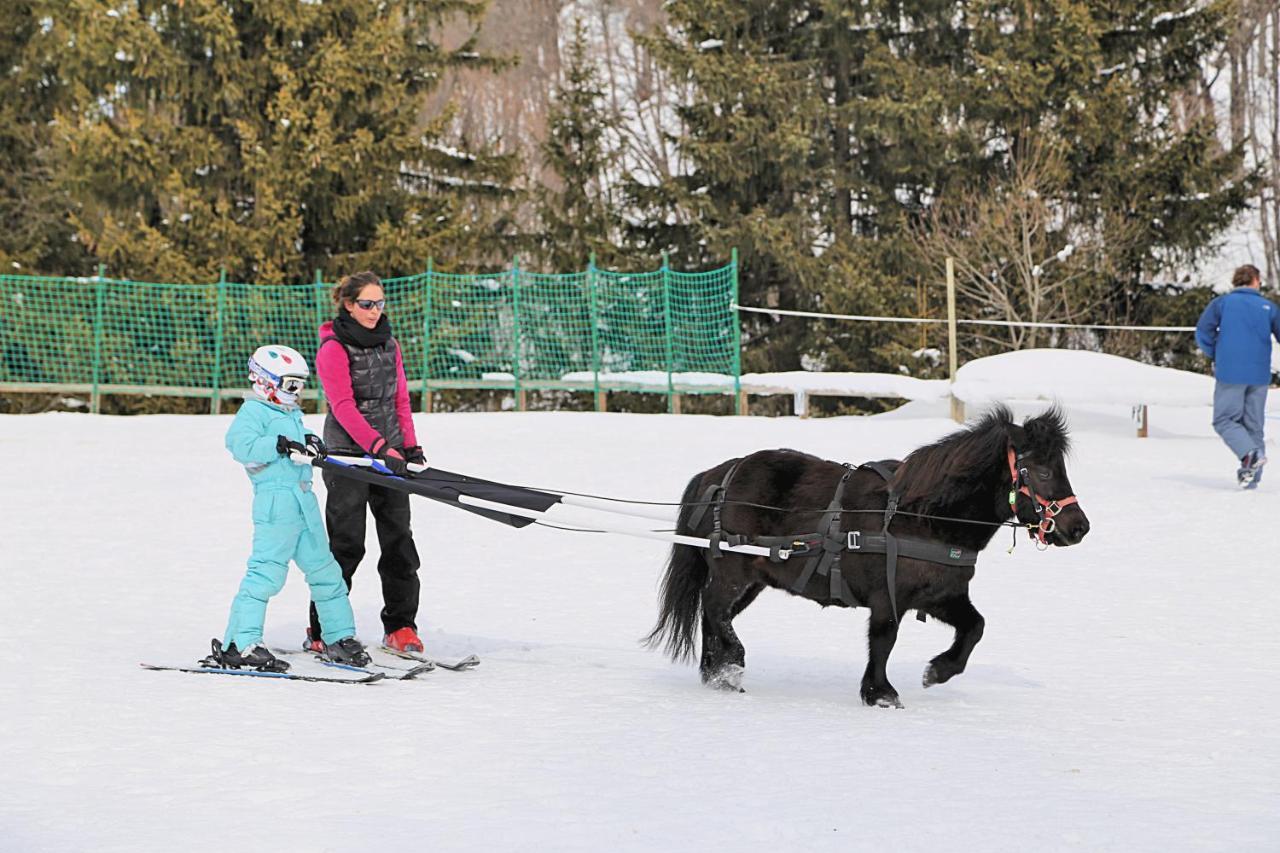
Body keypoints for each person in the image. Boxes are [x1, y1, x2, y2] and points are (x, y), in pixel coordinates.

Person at [205, 345, 371, 671]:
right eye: (290, 385)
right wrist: (278, 444)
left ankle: (339, 638)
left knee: (326, 573)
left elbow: (298, 437)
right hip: (276, 503)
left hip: (303, 502)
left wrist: (310, 440)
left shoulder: (290, 414)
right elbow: (240, 445)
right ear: (265, 382)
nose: (296, 393)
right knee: (266, 574)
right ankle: (240, 642)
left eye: (300, 386)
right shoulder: (253, 412)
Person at [305, 271, 427, 654]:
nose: (375, 311)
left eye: (379, 303)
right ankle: (323, 630)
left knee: (399, 543)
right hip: (347, 458)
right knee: (346, 546)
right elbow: (342, 407)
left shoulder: (390, 344)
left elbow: (400, 400)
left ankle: (401, 627)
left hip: (388, 457)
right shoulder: (333, 349)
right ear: (348, 304)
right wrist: (376, 446)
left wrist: (409, 446)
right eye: (366, 304)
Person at [1195, 264, 1280, 489]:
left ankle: (1248, 454)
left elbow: (1203, 332)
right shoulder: (1268, 307)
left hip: (1230, 372)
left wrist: (1216, 353)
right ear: (1254, 279)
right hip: (1259, 374)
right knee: (1254, 425)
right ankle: (1252, 478)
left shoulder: (1222, 304)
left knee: (1224, 420)